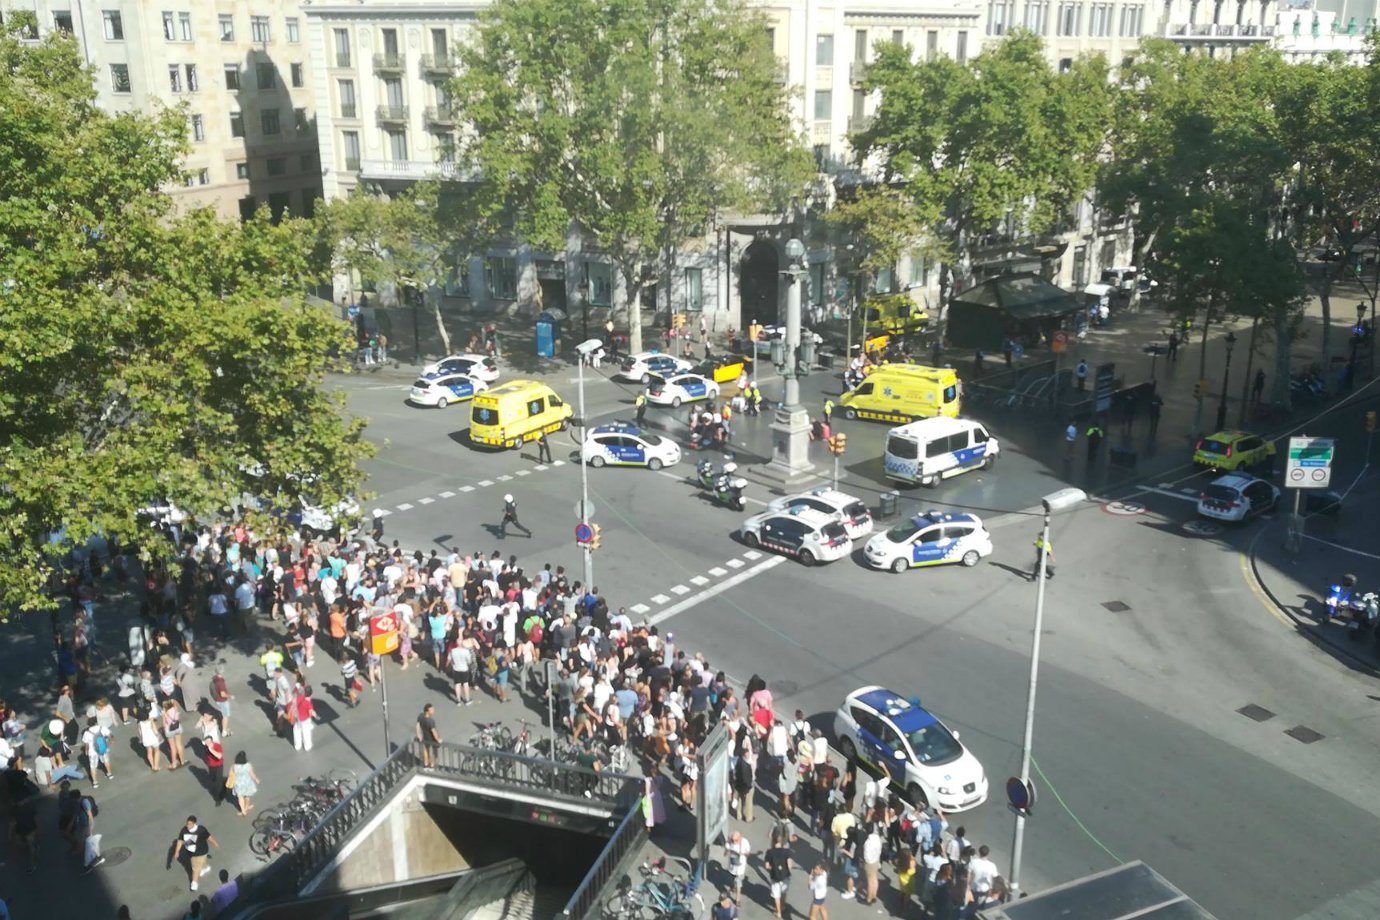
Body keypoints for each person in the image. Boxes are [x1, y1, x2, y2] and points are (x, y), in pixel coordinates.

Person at [172, 815, 219, 892]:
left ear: (194, 823)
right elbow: (180, 841)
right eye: (187, 823)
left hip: (200, 852)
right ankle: (204, 868)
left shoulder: (201, 830)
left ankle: (194, 883)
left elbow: (209, 837)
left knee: (195, 868)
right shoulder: (184, 830)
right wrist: (177, 851)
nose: (188, 825)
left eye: (190, 824)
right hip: (192, 852)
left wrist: (215, 843)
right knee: (201, 862)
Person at [764, 833, 794, 918]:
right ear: (782, 842)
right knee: (784, 892)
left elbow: (766, 866)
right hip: (785, 876)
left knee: (776, 896)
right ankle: (783, 906)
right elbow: (790, 866)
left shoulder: (769, 852)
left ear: (773, 842)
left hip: (775, 876)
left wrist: (772, 869)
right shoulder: (787, 851)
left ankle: (778, 912)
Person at [229, 751, 259, 816]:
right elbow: (252, 774)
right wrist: (256, 779)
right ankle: (247, 806)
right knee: (247, 796)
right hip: (247, 782)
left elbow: (230, 774)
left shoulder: (234, 766)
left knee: (240, 797)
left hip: (238, 784)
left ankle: (243, 810)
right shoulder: (248, 765)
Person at [724, 830, 750, 902]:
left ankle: (737, 899)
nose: (734, 842)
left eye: (736, 840)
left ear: (740, 838)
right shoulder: (729, 842)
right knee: (732, 879)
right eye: (733, 840)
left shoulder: (745, 842)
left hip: (740, 868)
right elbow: (725, 853)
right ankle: (733, 887)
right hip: (732, 867)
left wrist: (742, 853)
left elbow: (748, 854)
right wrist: (728, 851)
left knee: (739, 883)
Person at [416, 703, 441, 768]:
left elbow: (417, 725)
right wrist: (438, 739)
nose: (433, 711)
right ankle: (432, 765)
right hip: (432, 739)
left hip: (425, 737)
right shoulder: (430, 721)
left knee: (426, 750)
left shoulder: (420, 716)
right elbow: (434, 732)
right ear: (427, 711)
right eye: (431, 710)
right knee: (434, 752)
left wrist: (418, 734)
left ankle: (426, 764)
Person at [292, 687, 316, 752]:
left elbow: (294, 704)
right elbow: (311, 712)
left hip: (298, 718)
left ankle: (297, 746)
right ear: (311, 694)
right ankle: (307, 746)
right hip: (305, 720)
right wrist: (315, 714)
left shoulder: (300, 698)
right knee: (306, 732)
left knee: (297, 731)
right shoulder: (309, 703)